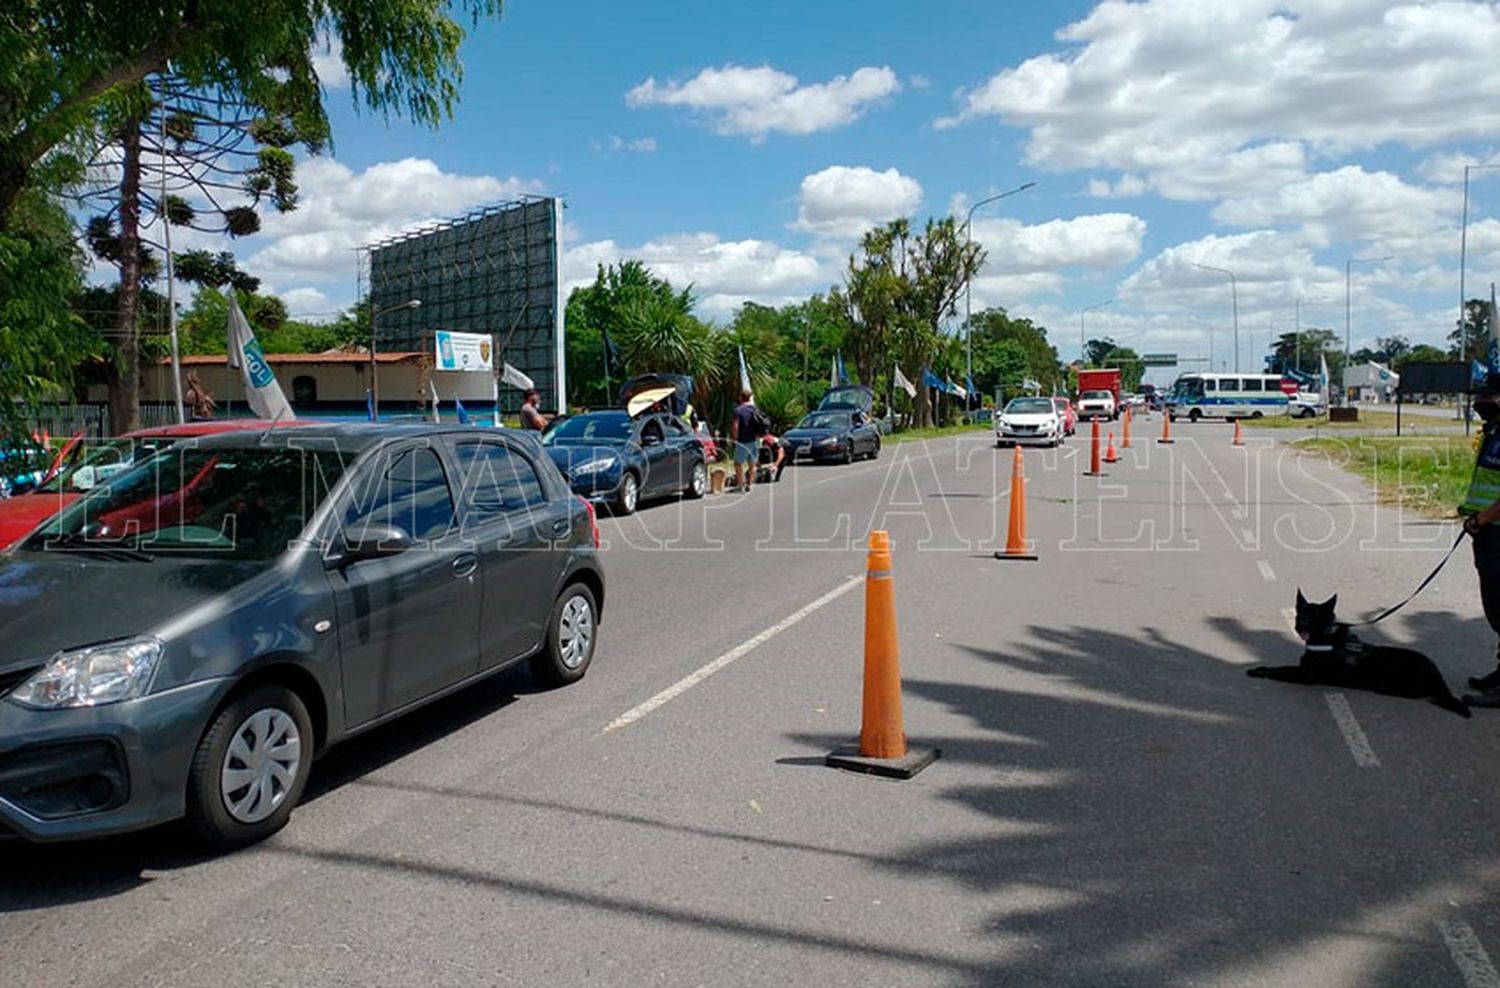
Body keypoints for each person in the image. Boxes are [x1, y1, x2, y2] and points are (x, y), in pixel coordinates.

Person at [1463, 387, 1500, 706]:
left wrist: (1482, 519)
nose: (1481, 403)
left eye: (1489, 397)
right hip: (1487, 531)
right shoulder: (1493, 431)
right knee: (1496, 610)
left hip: (1494, 529)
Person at [730, 390, 766, 492]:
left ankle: (741, 484)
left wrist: (735, 439)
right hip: (754, 439)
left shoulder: (738, 410)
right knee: (752, 463)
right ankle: (750, 484)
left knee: (737, 463)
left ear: (741, 397)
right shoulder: (754, 409)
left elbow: (735, 425)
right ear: (750, 397)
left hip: (743, 440)